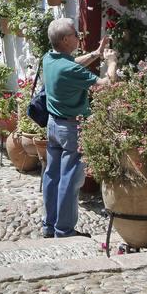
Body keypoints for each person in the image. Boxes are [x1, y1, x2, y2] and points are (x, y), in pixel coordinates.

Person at [42, 18, 117, 239]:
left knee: (52, 176)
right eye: (76, 34)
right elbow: (106, 85)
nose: (79, 36)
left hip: (53, 125)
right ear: (66, 40)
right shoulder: (70, 69)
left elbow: (73, 63)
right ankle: (64, 231)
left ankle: (49, 225)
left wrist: (96, 53)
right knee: (70, 179)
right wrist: (111, 62)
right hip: (71, 129)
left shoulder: (49, 58)